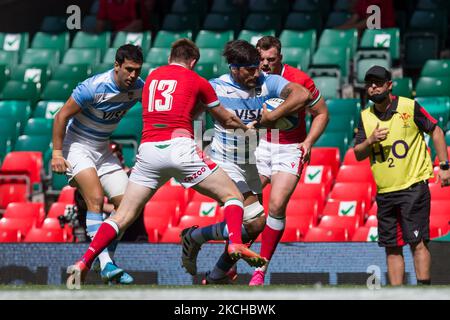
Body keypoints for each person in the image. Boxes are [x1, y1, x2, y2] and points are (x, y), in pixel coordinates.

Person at [66, 39, 267, 287]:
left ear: (171, 57)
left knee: (122, 217)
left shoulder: (149, 79)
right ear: (193, 62)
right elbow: (224, 118)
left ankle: (84, 261)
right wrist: (246, 127)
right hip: (179, 148)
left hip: (149, 151)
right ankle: (235, 241)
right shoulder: (197, 81)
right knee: (233, 196)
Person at [180, 39, 313, 285]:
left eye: (257, 66)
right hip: (224, 162)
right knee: (255, 219)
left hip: (250, 162)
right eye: (250, 68)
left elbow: (302, 94)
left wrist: (274, 114)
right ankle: (203, 248)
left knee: (253, 227)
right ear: (234, 68)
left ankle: (201, 245)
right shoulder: (216, 88)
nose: (257, 72)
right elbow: (188, 116)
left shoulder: (266, 81)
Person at [52, 44, 145, 285]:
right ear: (117, 66)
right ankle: (105, 263)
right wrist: (57, 154)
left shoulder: (138, 88)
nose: (133, 75)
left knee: (127, 206)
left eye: (137, 70)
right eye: (128, 69)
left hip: (102, 148)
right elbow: (61, 116)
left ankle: (106, 264)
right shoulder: (93, 87)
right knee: (94, 199)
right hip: (77, 147)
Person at [241, 36, 329, 285]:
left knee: (277, 205)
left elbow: (322, 113)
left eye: (271, 59)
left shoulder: (299, 80)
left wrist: (309, 142)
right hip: (261, 146)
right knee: (248, 204)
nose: (266, 64)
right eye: (262, 59)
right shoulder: (252, 79)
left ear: (280, 57)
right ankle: (234, 257)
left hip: (290, 149)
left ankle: (260, 270)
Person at [354, 65, 450, 286]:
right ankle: (397, 294)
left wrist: (444, 165)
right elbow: (358, 153)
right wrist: (370, 141)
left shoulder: (409, 106)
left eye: (378, 82)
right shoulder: (365, 117)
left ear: (390, 85)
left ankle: (424, 291)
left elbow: (435, 130)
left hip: (413, 188)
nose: (373, 87)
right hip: (385, 192)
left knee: (418, 242)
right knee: (392, 246)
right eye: (369, 83)